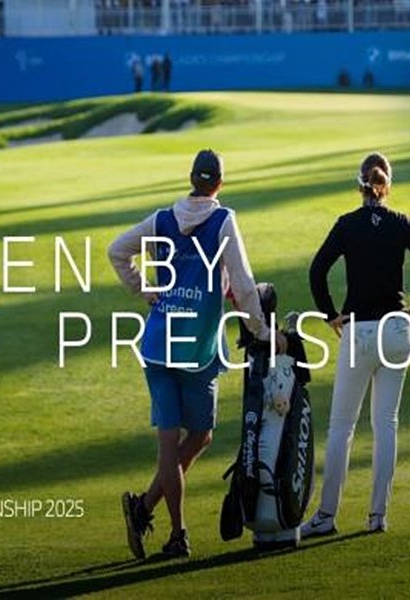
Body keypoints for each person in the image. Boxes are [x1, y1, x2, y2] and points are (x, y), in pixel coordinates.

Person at [108, 149, 286, 559]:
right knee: (191, 439)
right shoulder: (223, 221)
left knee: (178, 443)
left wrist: (144, 290)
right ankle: (176, 533)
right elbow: (243, 285)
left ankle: (144, 509)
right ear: (219, 183)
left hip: (159, 344)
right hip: (199, 347)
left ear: (191, 179)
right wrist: (263, 331)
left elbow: (117, 251)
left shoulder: (161, 220)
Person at [301, 152, 410, 538]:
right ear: (387, 186)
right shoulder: (401, 222)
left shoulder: (347, 224)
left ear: (360, 186)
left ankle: (326, 516)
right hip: (398, 331)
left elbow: (317, 270)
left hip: (361, 332)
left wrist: (330, 314)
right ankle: (377, 516)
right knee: (386, 423)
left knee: (341, 426)